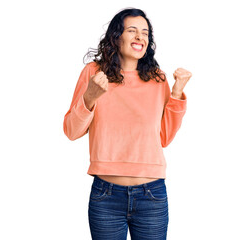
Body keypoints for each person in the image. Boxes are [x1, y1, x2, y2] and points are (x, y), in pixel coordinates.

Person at [63, 8, 192, 240]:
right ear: (116, 36)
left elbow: (164, 137)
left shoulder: (157, 78)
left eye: (145, 32)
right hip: (106, 196)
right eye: (132, 30)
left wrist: (176, 93)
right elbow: (72, 131)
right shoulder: (93, 73)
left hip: (151, 195)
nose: (140, 37)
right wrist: (90, 96)